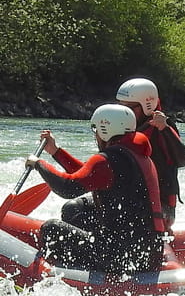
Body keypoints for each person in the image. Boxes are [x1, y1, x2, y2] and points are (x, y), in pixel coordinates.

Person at [26, 104, 165, 273]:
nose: (96, 136)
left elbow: (67, 188)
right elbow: (86, 175)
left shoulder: (107, 160)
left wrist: (39, 164)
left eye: (96, 131)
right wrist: (55, 152)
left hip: (122, 257)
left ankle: (68, 274)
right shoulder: (137, 153)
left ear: (105, 130)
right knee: (74, 209)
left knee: (51, 228)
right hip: (146, 252)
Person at [116, 77, 185, 229]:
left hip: (160, 209)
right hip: (131, 202)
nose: (125, 113)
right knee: (74, 208)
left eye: (130, 108)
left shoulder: (162, 128)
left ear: (147, 106)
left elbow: (184, 158)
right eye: (121, 108)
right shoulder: (125, 128)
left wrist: (164, 129)